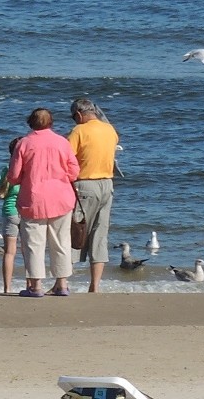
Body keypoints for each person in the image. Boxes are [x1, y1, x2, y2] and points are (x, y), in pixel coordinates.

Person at [7, 108, 79, 297]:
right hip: (61, 198)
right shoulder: (62, 142)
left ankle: (36, 286)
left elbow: (13, 176)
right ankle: (61, 284)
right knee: (62, 241)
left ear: (30, 122)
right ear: (51, 123)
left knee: (33, 243)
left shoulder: (24, 143)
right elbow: (74, 171)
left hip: (33, 199)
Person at [68, 98, 119, 293]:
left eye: (74, 117)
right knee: (100, 234)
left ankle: (61, 282)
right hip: (107, 184)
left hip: (85, 184)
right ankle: (94, 286)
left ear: (79, 115)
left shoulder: (78, 131)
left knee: (75, 232)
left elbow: (67, 158)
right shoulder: (109, 129)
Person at [0, 136, 23, 294]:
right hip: (26, 211)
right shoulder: (28, 168)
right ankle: (31, 284)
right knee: (28, 251)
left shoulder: (6, 170)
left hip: (10, 211)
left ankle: (7, 288)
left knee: (9, 252)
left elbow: (0, 194)